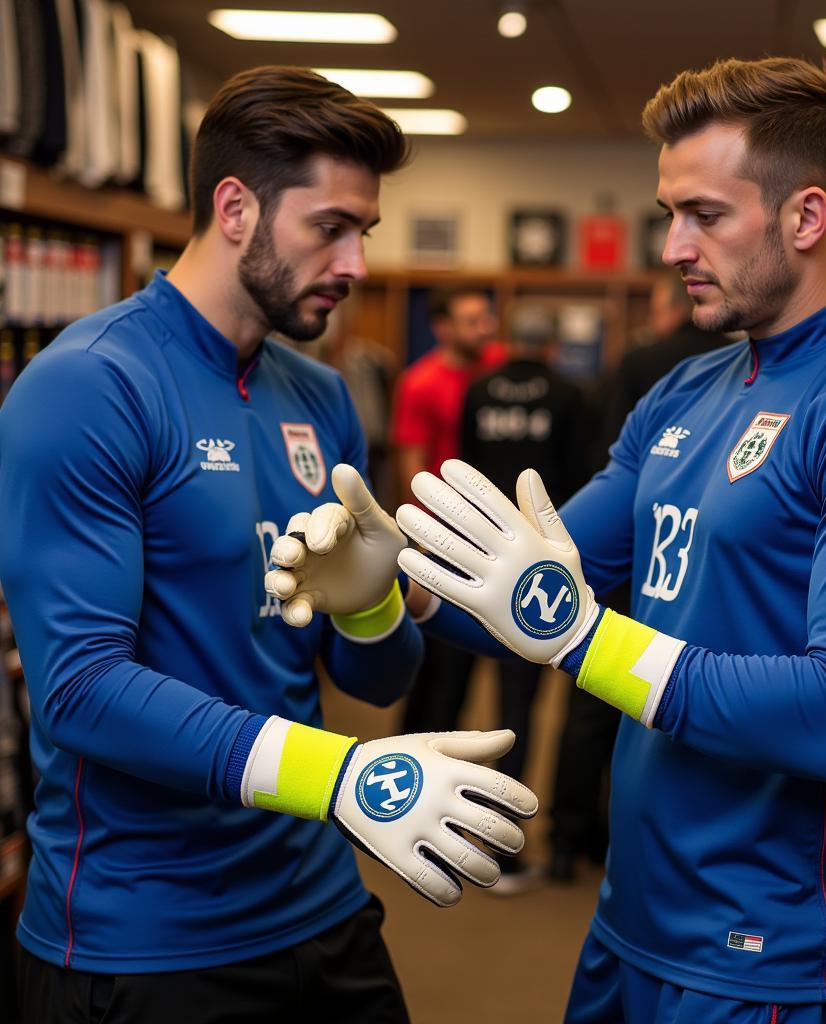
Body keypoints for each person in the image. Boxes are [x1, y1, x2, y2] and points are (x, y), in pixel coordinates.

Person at [389, 58, 826, 1022]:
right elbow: (524, 596)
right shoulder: (684, 392)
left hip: (774, 956)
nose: (673, 246)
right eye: (669, 213)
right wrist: (390, 582)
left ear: (805, 217)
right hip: (633, 919)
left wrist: (588, 641)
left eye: (705, 215)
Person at [0, 66, 536, 1024]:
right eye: (328, 227)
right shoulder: (89, 384)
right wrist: (331, 775)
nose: (357, 265)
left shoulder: (320, 395)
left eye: (362, 232)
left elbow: (371, 683)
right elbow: (78, 688)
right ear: (235, 207)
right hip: (145, 937)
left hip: (318, 903)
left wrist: (373, 605)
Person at [547, 273, 732, 882]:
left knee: (598, 698)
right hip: (691, 573)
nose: (678, 248)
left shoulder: (644, 364)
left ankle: (570, 838)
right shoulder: (695, 373)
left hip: (636, 559)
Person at [460, 301, 588, 892]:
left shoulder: (479, 388)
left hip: (478, 560)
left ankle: (479, 834)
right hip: (543, 572)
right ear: (553, 345)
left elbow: (463, 467)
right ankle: (513, 844)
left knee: (488, 705)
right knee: (543, 708)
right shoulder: (569, 395)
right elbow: (583, 480)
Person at [391, 288, 505, 736]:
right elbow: (410, 461)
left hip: (494, 533)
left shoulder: (500, 366)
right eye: (471, 319)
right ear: (442, 327)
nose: (484, 328)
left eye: (486, 317)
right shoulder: (421, 382)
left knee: (493, 653)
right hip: (445, 535)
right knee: (442, 667)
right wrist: (423, 534)